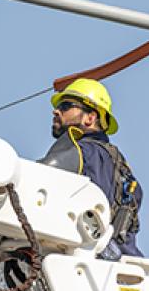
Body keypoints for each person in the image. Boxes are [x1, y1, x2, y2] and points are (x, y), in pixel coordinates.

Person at [39, 78, 143, 260]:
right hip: (122, 264)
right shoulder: (121, 166)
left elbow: (39, 178)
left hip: (88, 264)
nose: (56, 111)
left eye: (65, 106)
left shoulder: (83, 152)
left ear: (90, 118)